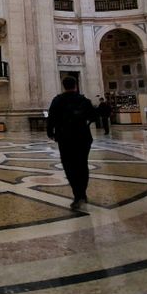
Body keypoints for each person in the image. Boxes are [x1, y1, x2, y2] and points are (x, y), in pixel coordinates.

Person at [47, 76, 97, 210]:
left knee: (69, 166)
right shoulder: (83, 100)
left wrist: (50, 132)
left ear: (63, 86)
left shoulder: (57, 100)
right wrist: (85, 123)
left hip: (65, 137)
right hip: (83, 137)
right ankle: (82, 193)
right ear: (76, 86)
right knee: (82, 165)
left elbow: (51, 118)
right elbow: (93, 116)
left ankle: (77, 194)